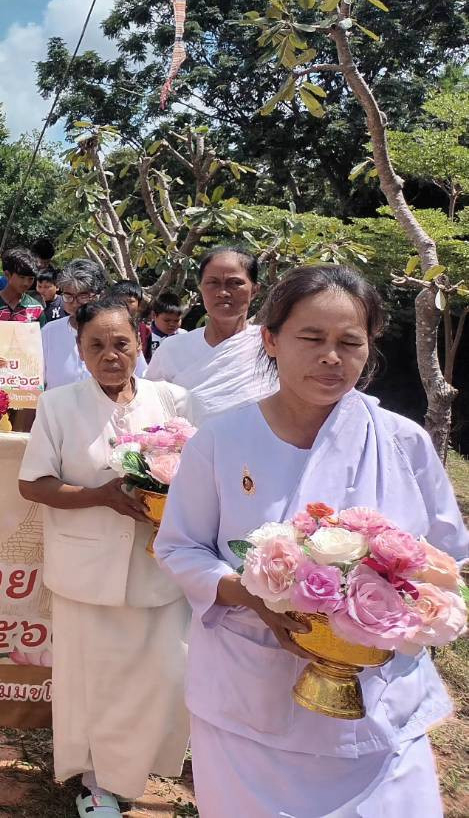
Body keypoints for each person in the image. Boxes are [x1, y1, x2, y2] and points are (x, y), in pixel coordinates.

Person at [156, 265, 469, 818]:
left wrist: (405, 605)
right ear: (271, 340)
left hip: (379, 700)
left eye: (350, 342)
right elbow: (180, 547)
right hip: (250, 697)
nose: (332, 357)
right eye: (312, 338)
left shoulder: (403, 442)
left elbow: (448, 558)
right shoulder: (222, 441)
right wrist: (253, 594)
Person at [18, 295, 191, 818]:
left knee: (159, 676)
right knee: (93, 683)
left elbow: (199, 475)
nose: (110, 354)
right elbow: (34, 484)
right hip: (85, 573)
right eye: (96, 345)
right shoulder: (59, 405)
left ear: (139, 343)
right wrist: (101, 497)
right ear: (80, 350)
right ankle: (96, 785)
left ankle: (134, 771)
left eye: (120, 343)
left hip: (157, 568)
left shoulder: (174, 400)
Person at [145, 246, 273, 423]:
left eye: (235, 283)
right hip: (187, 449)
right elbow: (150, 407)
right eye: (212, 283)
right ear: (201, 288)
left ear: (255, 290)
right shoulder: (172, 349)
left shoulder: (272, 346)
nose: (222, 293)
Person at [42, 259, 148, 390]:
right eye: (68, 296)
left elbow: (141, 377)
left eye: (83, 296)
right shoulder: (49, 332)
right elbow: (37, 378)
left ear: (100, 295)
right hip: (60, 409)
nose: (75, 303)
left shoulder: (119, 330)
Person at [0, 249, 44, 322]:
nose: (26, 283)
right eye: (21, 277)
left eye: (31, 279)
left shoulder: (37, 309)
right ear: (7, 274)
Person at [110, 281, 152, 358]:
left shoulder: (145, 331)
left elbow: (148, 359)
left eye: (130, 301)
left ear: (139, 304)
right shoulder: (103, 328)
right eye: (119, 301)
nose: (124, 305)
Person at [147, 290, 188, 358]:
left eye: (176, 320)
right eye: (167, 320)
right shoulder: (146, 336)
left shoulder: (184, 335)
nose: (172, 324)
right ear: (154, 315)